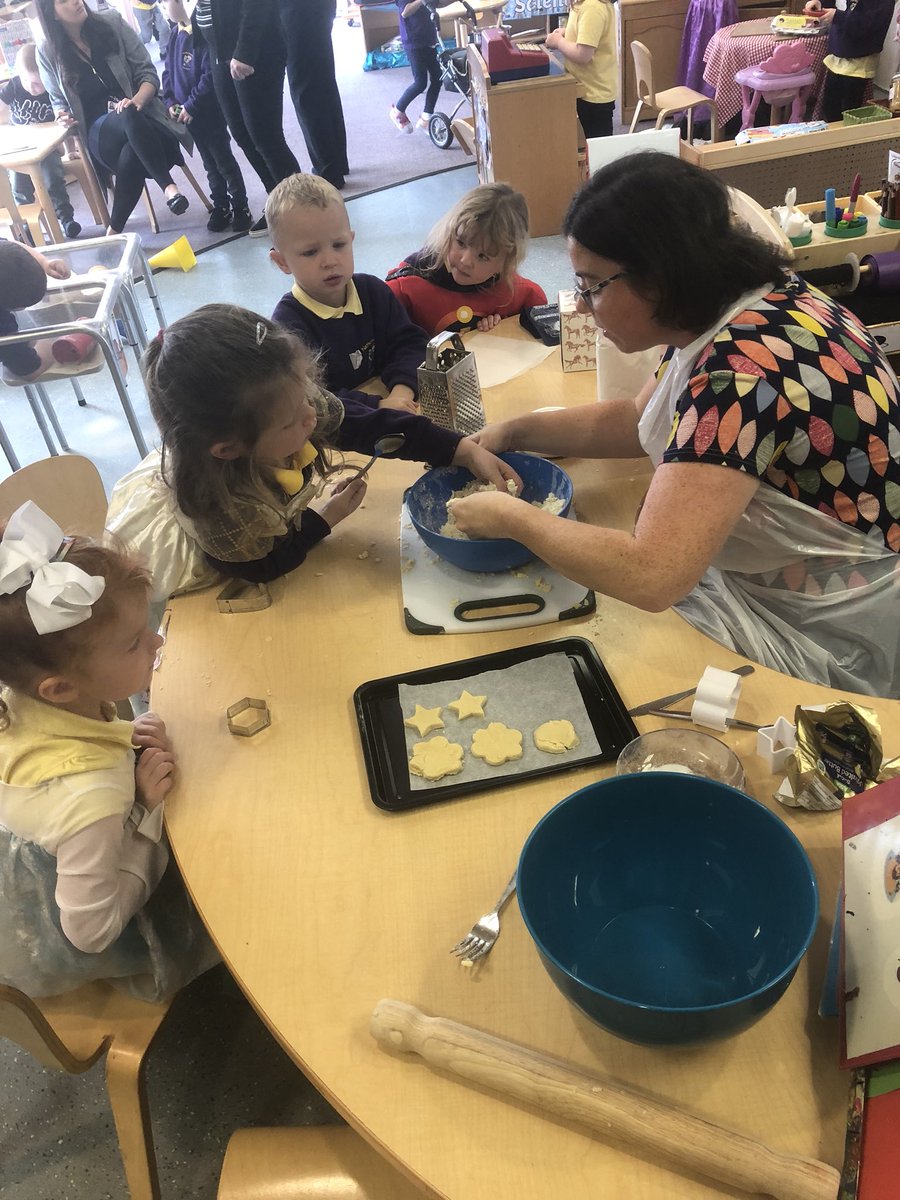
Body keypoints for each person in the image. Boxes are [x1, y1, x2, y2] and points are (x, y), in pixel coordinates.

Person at [448, 152, 900, 698]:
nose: (585, 308)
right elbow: (643, 417)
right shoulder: (749, 303)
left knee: (626, 656)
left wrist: (514, 518)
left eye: (593, 286)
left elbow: (653, 573)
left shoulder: (738, 374)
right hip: (830, 573)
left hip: (843, 622)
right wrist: (516, 431)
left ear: (660, 276)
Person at [105, 305, 519, 606]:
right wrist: (324, 519)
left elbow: (364, 424)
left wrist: (459, 448)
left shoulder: (287, 403)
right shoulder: (224, 512)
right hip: (216, 557)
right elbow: (261, 566)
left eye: (305, 394)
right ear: (231, 449)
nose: (310, 416)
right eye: (290, 423)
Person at [0, 501, 217, 999]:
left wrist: (124, 736)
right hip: (83, 915)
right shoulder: (91, 802)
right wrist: (142, 813)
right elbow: (91, 932)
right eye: (133, 644)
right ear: (59, 688)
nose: (158, 642)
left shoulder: (28, 689)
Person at [267, 173, 426, 415]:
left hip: (398, 410)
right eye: (310, 252)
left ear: (351, 240)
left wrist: (402, 391)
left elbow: (411, 343)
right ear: (282, 262)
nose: (330, 261)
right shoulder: (288, 327)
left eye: (339, 245)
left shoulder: (373, 292)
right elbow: (311, 398)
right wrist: (378, 406)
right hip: (341, 436)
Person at [35, 0, 192, 235]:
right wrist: (62, 115)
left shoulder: (112, 23)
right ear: (52, 14)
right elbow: (58, 101)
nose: (77, 1)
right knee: (126, 120)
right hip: (102, 138)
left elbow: (148, 74)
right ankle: (168, 186)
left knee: (131, 148)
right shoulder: (48, 51)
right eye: (64, 0)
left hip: (148, 125)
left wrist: (136, 100)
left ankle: (114, 231)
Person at [191, 0, 299, 237]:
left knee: (265, 136)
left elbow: (258, 5)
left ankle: (300, 212)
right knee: (242, 134)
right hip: (218, 50)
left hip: (254, 49)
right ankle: (278, 206)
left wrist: (245, 50)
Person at [385, 183, 547, 335]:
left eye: (483, 256)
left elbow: (538, 342)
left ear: (506, 263)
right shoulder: (405, 289)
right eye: (461, 242)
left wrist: (504, 329)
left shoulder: (520, 295)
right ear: (449, 230)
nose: (465, 261)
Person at [159, 0, 250, 234]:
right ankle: (221, 206)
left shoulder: (201, 33)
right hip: (189, 117)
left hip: (208, 113)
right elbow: (168, 73)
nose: (165, 6)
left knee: (223, 161)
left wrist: (191, 105)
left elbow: (210, 76)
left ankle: (240, 206)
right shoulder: (174, 34)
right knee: (209, 163)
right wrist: (170, 101)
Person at [0, 44, 81, 240]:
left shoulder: (52, 92)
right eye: (27, 81)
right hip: (20, 149)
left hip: (48, 148)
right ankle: (27, 226)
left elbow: (68, 124)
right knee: (19, 187)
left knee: (53, 179)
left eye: (38, 83)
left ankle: (66, 218)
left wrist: (71, 150)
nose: (32, 87)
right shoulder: (14, 86)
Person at [278, 0, 349, 190]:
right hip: (318, 10)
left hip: (295, 13)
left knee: (306, 94)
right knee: (325, 84)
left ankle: (328, 171)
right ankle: (338, 162)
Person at [804, 0, 896, 121]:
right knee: (829, 106)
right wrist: (819, 3)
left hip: (860, 60)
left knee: (848, 110)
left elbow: (869, 24)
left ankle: (844, 137)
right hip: (838, 56)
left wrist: (838, 17)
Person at [545, 0, 618, 140]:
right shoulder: (583, 4)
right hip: (585, 87)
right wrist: (566, 33)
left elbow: (583, 55)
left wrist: (559, 42)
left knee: (599, 148)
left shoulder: (592, 7)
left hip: (594, 94)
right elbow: (588, 34)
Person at [0, 240, 71, 382]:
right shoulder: (2, 326)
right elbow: (28, 369)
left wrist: (44, 262)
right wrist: (51, 345)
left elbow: (12, 245)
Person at [389, 0, 442, 134]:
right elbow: (405, 12)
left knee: (438, 78)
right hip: (413, 41)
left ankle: (426, 117)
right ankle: (397, 111)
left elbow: (437, 3)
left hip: (428, 39)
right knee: (420, 83)